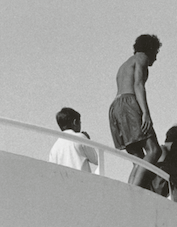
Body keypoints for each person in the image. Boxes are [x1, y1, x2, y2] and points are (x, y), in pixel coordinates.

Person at [109, 34, 162, 187]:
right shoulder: (141, 59)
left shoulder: (124, 65)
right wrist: (146, 113)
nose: (155, 58)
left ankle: (131, 189)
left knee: (137, 158)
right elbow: (138, 85)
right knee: (154, 150)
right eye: (156, 53)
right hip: (129, 103)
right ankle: (134, 189)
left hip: (116, 107)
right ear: (150, 49)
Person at [48, 107, 99, 173]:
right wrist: (87, 140)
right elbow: (98, 160)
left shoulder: (54, 148)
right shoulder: (80, 138)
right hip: (82, 181)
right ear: (75, 122)